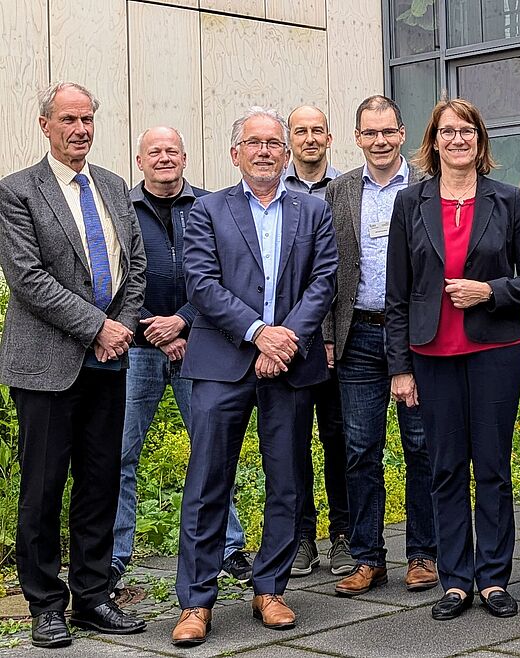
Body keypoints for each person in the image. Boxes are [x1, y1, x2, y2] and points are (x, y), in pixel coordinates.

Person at [172, 107, 338, 645]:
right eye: (254, 142)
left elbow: (324, 280)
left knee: (286, 482)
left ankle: (270, 588)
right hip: (222, 364)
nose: (265, 150)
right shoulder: (206, 210)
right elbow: (201, 283)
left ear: (286, 153)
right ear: (235, 153)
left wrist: (284, 338)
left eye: (274, 142)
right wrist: (257, 333)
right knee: (206, 483)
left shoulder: (312, 210)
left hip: (289, 364)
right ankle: (196, 602)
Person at [386, 98, 520, 621]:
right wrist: (399, 367)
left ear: (481, 142)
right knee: (445, 468)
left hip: (495, 353)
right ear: (433, 142)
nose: (458, 139)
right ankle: (457, 581)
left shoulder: (506, 201)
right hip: (431, 354)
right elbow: (397, 295)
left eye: (468, 131)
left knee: (495, 469)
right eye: (448, 131)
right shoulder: (410, 204)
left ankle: (495, 580)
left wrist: (490, 290)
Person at [0, 81, 147, 648]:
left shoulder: (112, 187)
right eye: (68, 119)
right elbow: (29, 279)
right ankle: (44, 603)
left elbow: (134, 267)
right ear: (45, 125)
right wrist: (96, 327)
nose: (80, 129)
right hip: (46, 363)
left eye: (87, 118)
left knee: (100, 482)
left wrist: (122, 329)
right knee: (41, 486)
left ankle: (91, 596)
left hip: (107, 361)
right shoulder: (18, 192)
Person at [112, 126, 252, 594]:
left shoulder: (213, 207)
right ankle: (115, 558)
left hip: (201, 345)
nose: (164, 158)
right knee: (122, 454)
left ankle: (229, 547)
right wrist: (156, 327)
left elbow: (223, 273)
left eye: (172, 150)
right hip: (137, 348)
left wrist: (185, 322)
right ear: (140, 160)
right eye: (155, 151)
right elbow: (118, 276)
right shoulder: (121, 209)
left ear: (186, 157)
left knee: (214, 449)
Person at [329, 95, 438, 598]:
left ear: (402, 133)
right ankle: (367, 558)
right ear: (357, 137)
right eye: (369, 133)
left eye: (387, 132)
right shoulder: (339, 191)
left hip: (416, 335)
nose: (379, 142)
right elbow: (325, 270)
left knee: (421, 445)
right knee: (359, 449)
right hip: (357, 335)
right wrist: (329, 337)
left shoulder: (427, 186)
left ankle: (423, 554)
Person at [283, 104, 354, 577]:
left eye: (317, 131)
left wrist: (329, 337)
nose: (309, 138)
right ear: (291, 138)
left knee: (339, 438)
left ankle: (343, 535)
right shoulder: (271, 190)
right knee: (291, 442)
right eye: (300, 131)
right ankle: (303, 535)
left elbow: (341, 274)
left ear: (330, 138)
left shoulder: (348, 190)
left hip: (339, 340)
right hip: (285, 340)